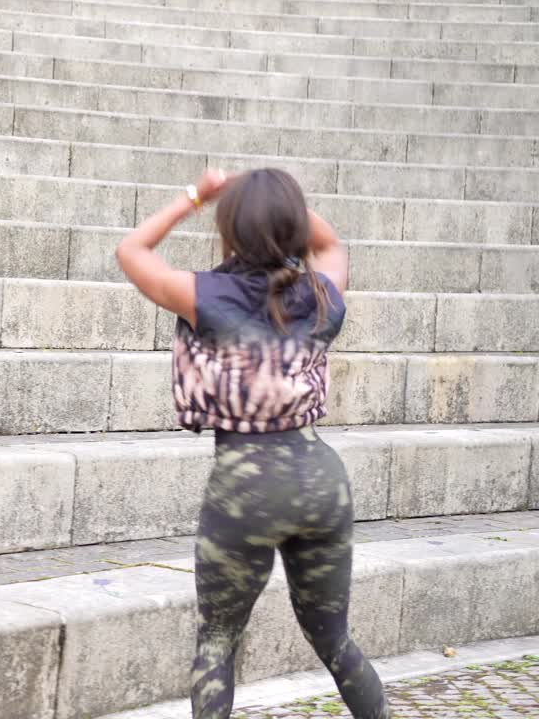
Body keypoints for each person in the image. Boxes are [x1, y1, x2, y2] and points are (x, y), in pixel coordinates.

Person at [115, 168, 391, 719]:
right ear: (294, 228)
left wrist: (198, 194)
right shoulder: (323, 294)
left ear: (230, 228)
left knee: (217, 642)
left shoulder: (204, 295)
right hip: (320, 480)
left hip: (246, 487)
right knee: (334, 640)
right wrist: (280, 205)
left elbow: (131, 248)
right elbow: (330, 241)